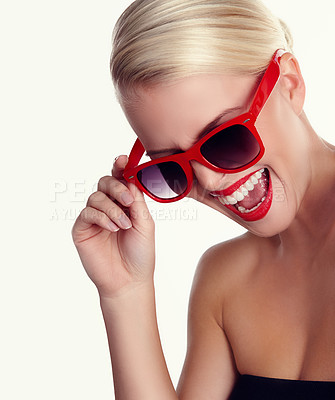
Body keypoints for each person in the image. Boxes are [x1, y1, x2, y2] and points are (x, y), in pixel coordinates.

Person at [71, 0, 335, 398]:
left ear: (289, 85)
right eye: (173, 168)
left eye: (225, 137)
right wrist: (124, 292)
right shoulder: (225, 280)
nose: (210, 181)